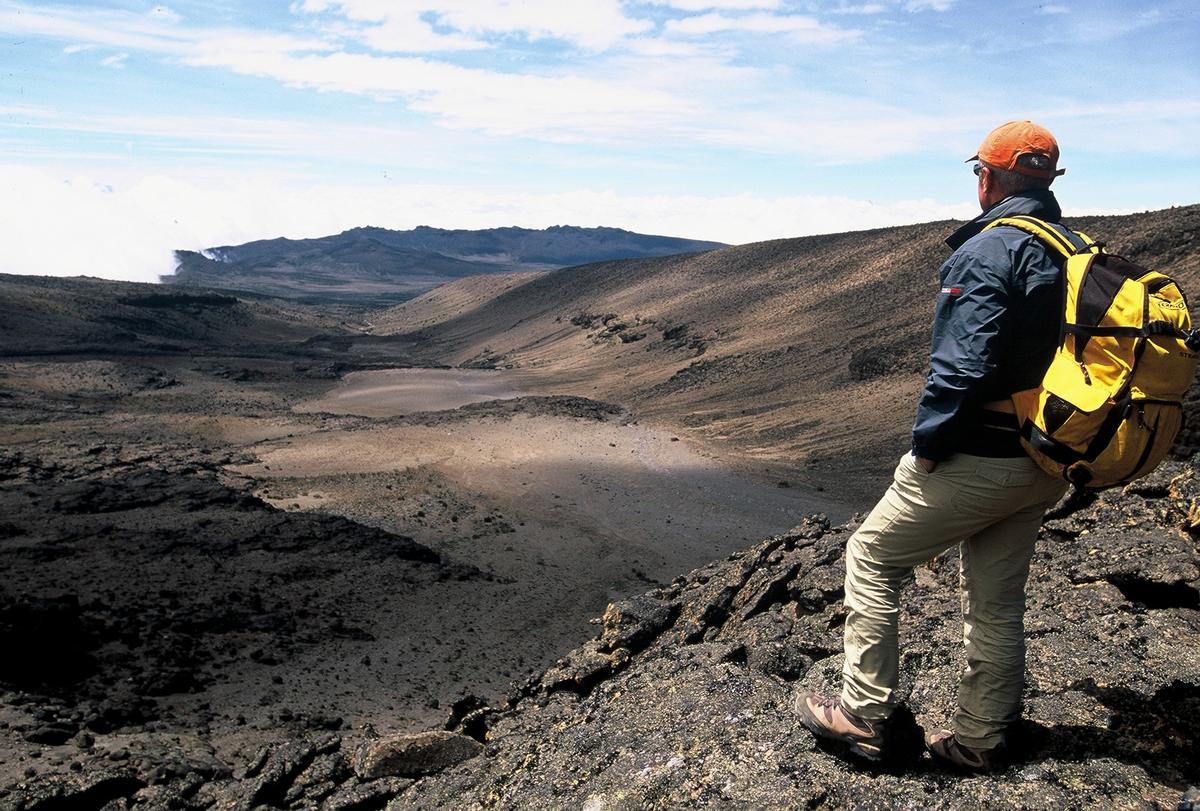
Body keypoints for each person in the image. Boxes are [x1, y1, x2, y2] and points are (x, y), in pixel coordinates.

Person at [794, 121, 1082, 772]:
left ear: (991, 178)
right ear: (1047, 181)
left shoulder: (990, 251)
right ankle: (982, 737)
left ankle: (864, 715)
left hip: (980, 457)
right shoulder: (1077, 251)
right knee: (998, 601)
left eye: (980, 170)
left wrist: (927, 446)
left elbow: (962, 368)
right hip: (1046, 458)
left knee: (870, 555)